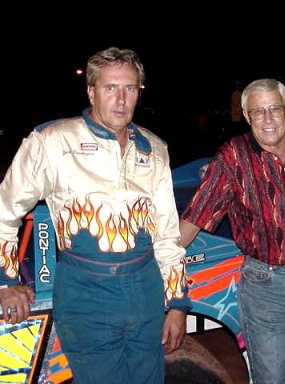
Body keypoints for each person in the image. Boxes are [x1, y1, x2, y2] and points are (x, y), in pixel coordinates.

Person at [0, 47, 191, 384]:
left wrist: (176, 303)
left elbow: (167, 235)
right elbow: (5, 211)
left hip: (145, 287)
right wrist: (7, 281)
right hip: (86, 290)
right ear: (91, 91)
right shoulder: (52, 141)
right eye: (110, 88)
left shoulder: (154, 148)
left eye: (130, 88)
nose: (121, 99)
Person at [179, 78, 285, 384]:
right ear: (247, 116)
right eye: (258, 111)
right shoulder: (232, 159)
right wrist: (150, 262)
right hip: (268, 286)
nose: (267, 119)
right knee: (272, 379)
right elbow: (194, 218)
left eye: (274, 109)